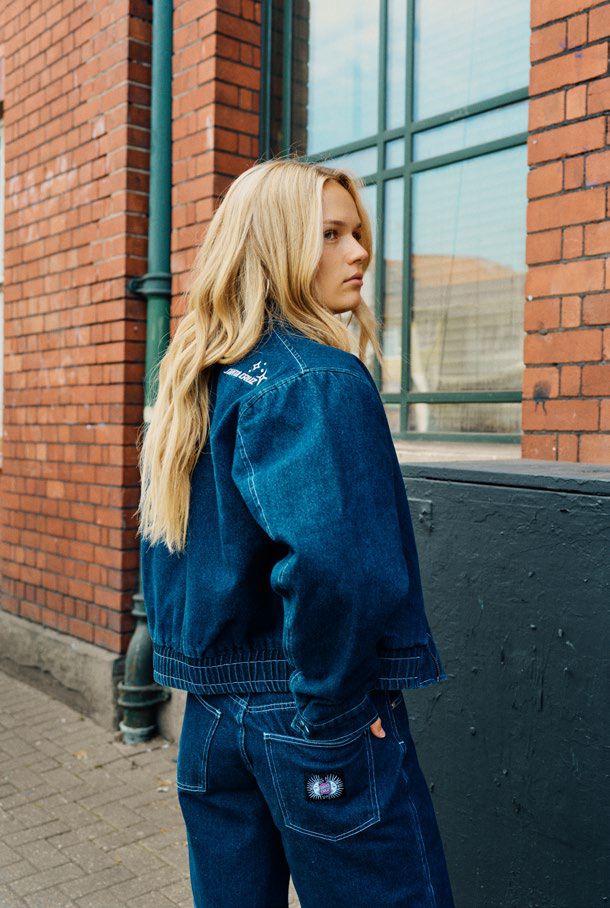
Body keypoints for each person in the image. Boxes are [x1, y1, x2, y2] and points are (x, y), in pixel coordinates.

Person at [136, 158, 455, 907]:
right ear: (275, 245)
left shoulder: (199, 378)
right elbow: (336, 569)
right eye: (332, 235)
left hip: (213, 722)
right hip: (311, 714)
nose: (361, 253)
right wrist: (339, 712)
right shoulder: (316, 379)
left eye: (359, 234)